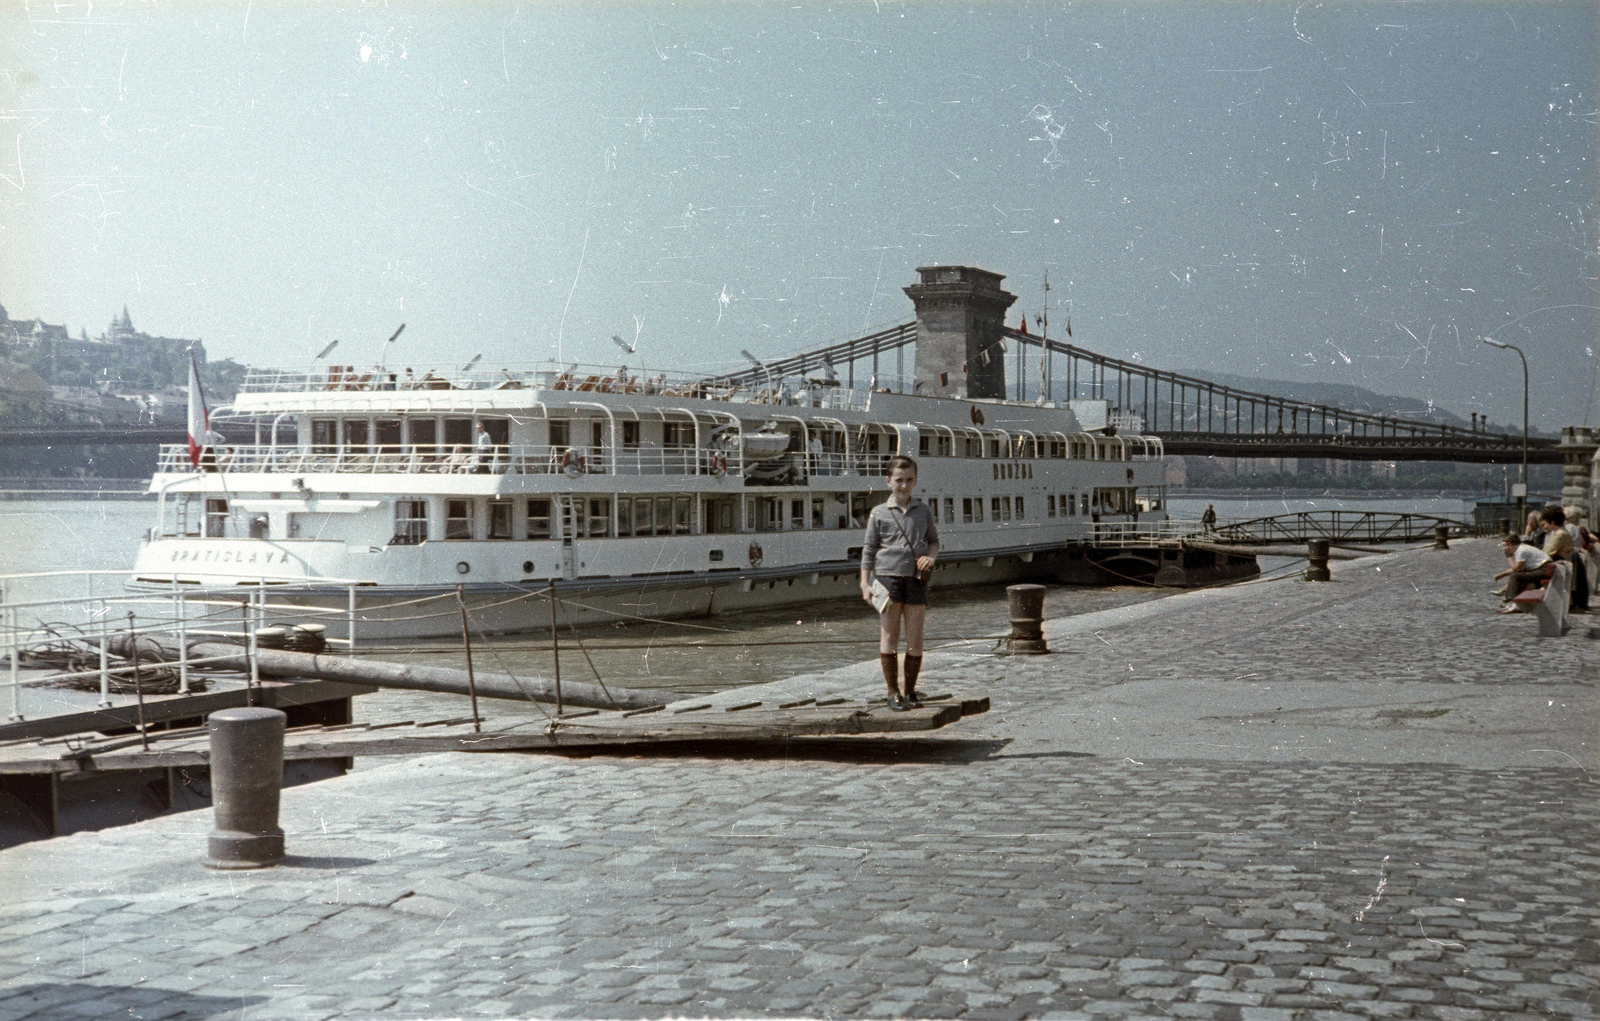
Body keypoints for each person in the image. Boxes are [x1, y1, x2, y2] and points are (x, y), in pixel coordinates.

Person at [860, 455, 939, 711]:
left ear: (915, 481)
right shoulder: (878, 513)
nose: (904, 486)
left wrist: (931, 557)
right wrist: (864, 584)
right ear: (888, 481)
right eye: (899, 480)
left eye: (909, 480)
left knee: (915, 639)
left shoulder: (923, 510)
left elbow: (934, 541)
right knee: (889, 637)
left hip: (915, 579)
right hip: (887, 580)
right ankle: (893, 693)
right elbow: (868, 550)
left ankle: (911, 691)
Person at [1494, 533, 1551, 611]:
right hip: (1541, 568)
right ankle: (1513, 602)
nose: (1504, 548)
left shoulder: (1521, 551)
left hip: (1543, 569)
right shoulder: (1521, 549)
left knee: (1515, 576)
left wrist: (1508, 556)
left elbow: (1516, 569)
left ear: (1510, 545)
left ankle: (1514, 603)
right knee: (1518, 576)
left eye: (1505, 545)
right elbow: (1518, 568)